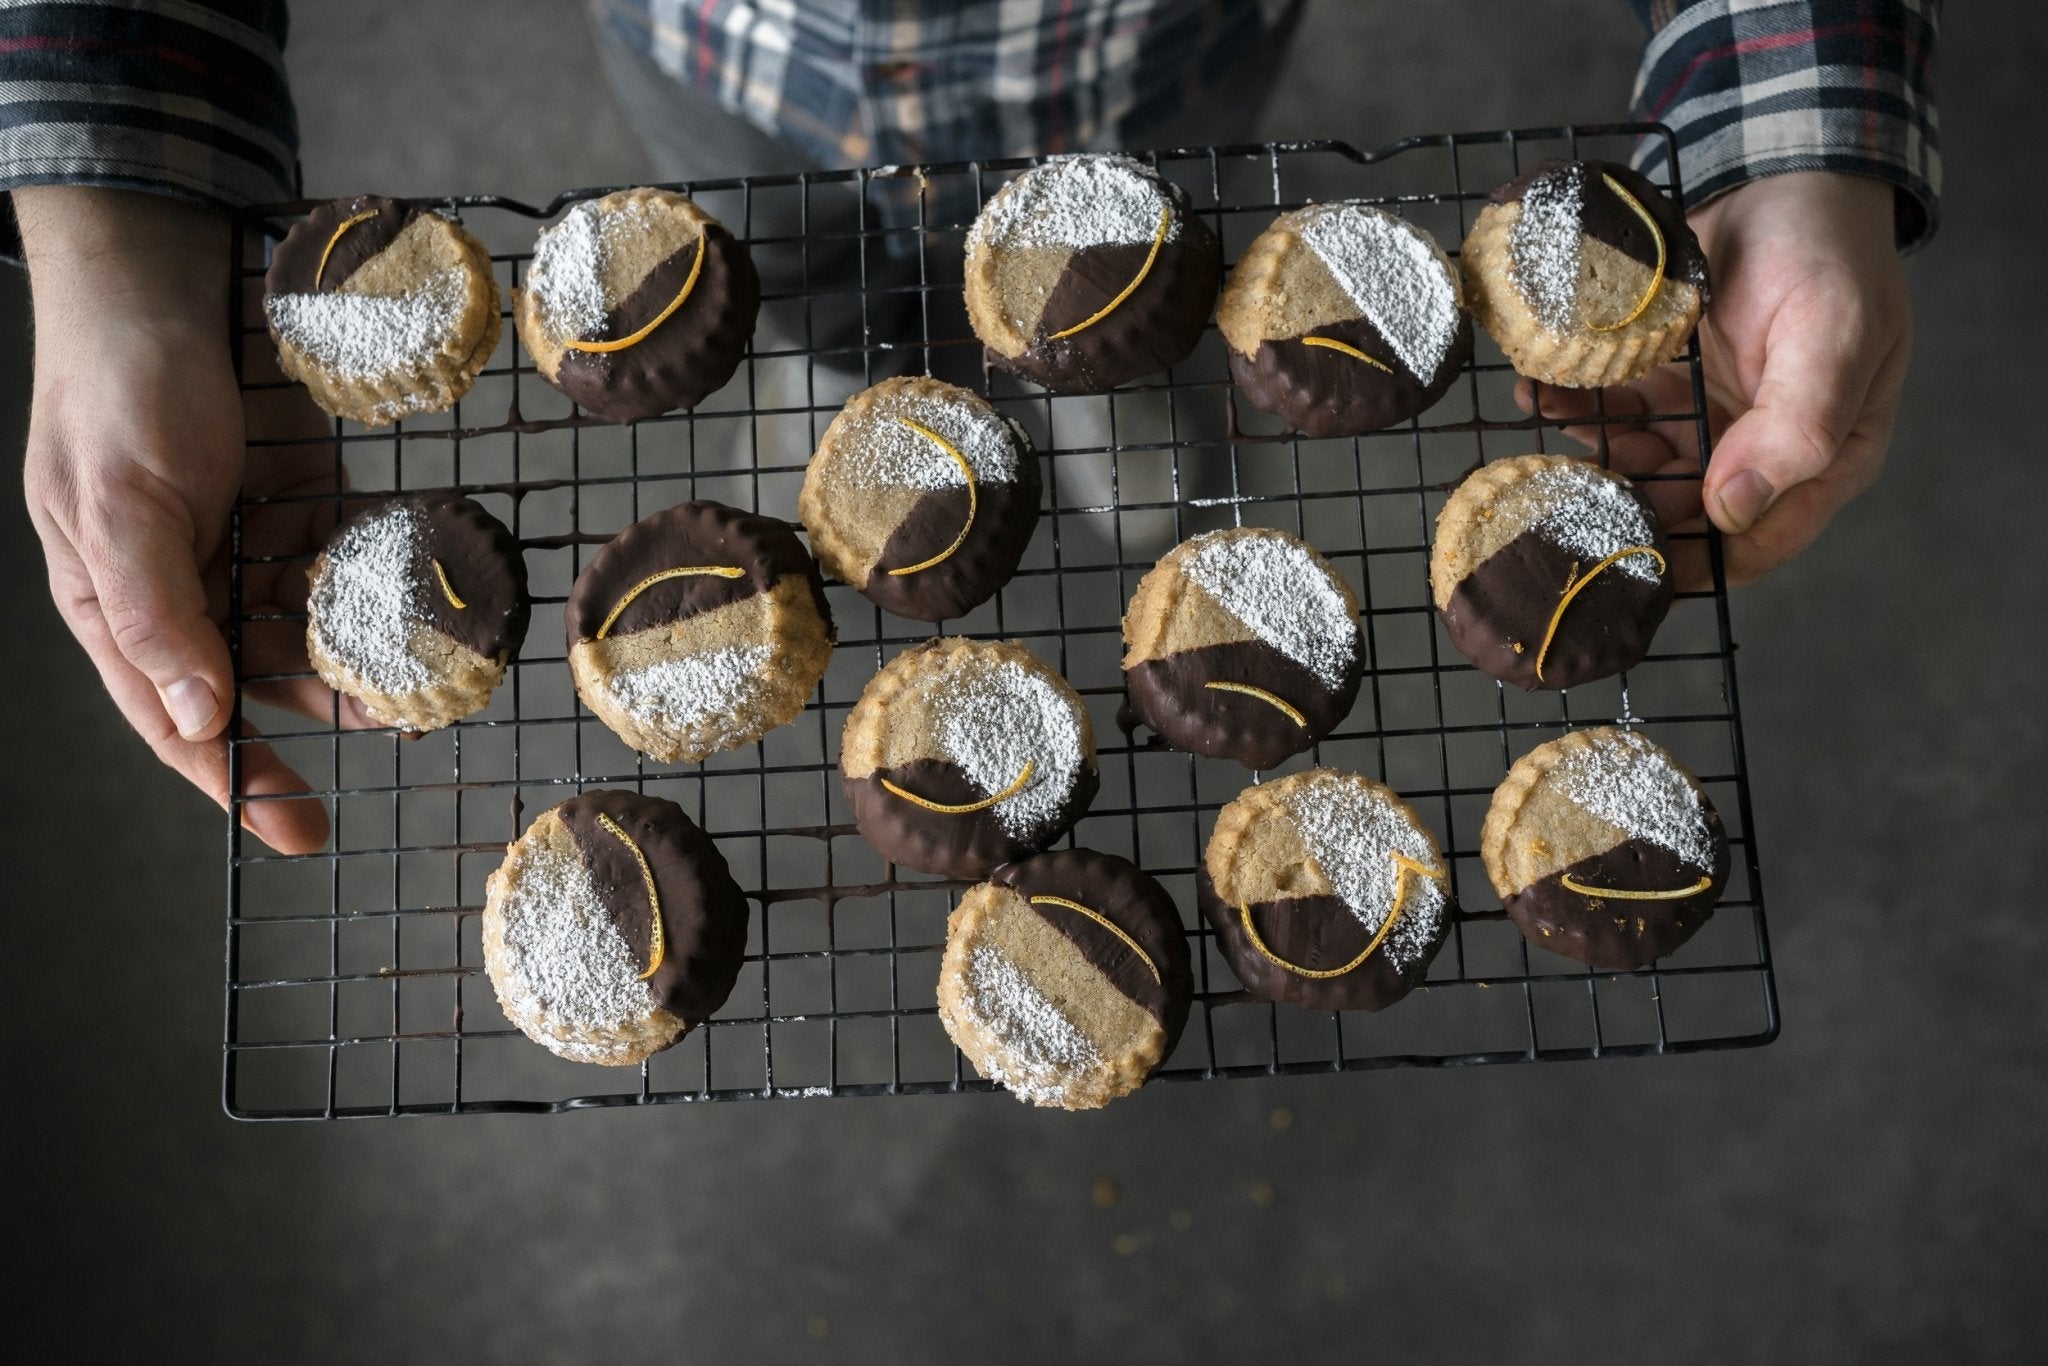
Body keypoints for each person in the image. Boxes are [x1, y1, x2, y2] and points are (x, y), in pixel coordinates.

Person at [3, 0, 1941, 855]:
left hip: (1154, 48)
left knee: (1140, 266)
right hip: (733, 67)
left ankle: (1098, 396)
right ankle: (877, 411)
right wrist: (109, 243)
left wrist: (1793, 106)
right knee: (799, 277)